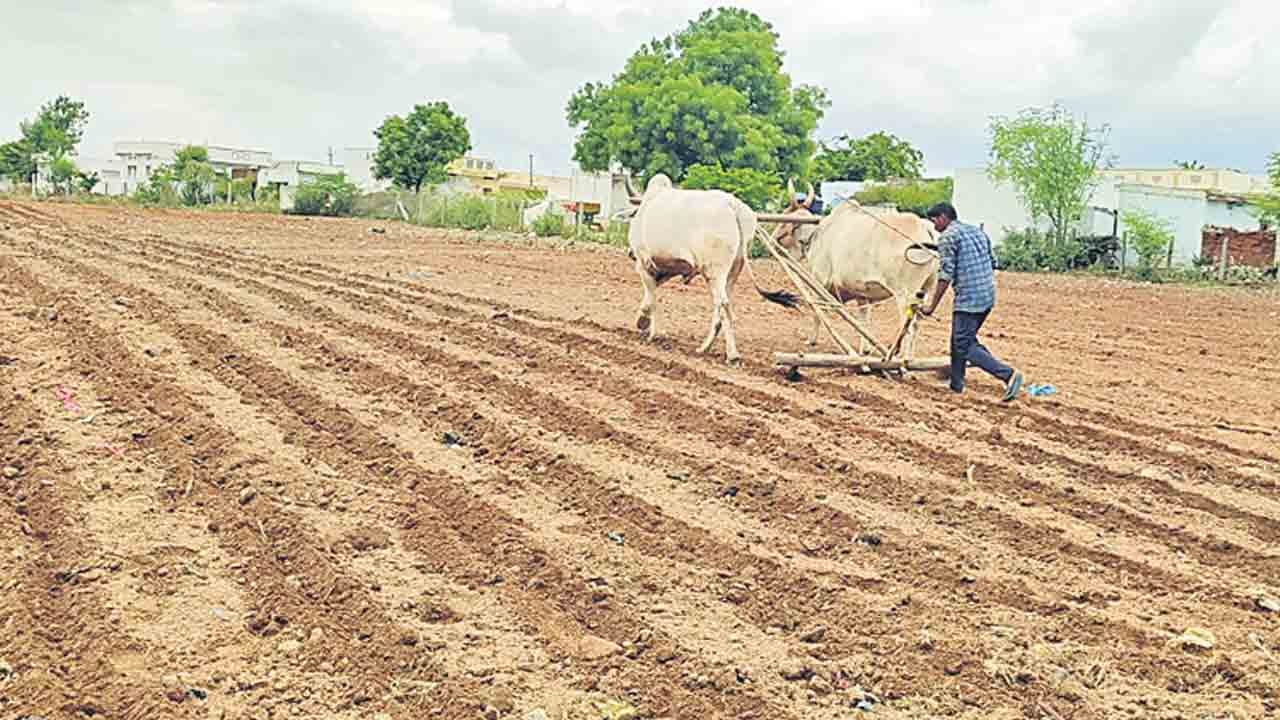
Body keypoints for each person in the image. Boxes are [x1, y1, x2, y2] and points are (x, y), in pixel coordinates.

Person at [920, 202, 1023, 402]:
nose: (934, 227)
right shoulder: (976, 231)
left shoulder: (948, 236)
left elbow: (945, 274)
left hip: (969, 299)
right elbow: (993, 261)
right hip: (987, 295)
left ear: (943, 217)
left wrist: (931, 306)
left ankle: (1008, 375)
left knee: (964, 346)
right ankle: (956, 385)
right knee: (960, 341)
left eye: (934, 222)